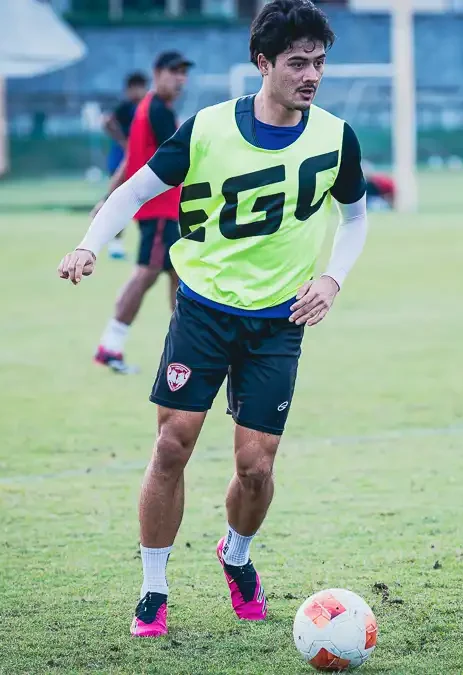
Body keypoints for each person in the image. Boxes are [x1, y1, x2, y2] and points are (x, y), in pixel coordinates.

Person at [57, 0, 369, 637]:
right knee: (173, 443)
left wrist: (332, 279)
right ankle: (153, 587)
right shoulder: (206, 129)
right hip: (202, 307)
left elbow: (357, 217)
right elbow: (136, 190)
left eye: (319, 63)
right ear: (263, 63)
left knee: (256, 467)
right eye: (297, 63)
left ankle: (237, 553)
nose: (311, 75)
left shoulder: (335, 137)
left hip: (279, 320)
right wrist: (91, 242)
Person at [92, 51, 192, 374]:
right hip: (160, 210)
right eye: (174, 72)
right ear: (157, 73)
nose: (180, 79)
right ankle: (110, 345)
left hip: (163, 211)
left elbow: (129, 160)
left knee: (180, 276)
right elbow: (179, 162)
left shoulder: (144, 109)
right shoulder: (158, 112)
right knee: (146, 273)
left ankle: (185, 349)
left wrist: (107, 198)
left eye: (183, 73)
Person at [103, 72, 148, 260]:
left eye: (142, 87)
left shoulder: (148, 108)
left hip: (141, 164)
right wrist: (124, 142)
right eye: (135, 87)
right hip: (122, 162)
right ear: (129, 90)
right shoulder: (126, 108)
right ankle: (115, 243)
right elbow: (107, 122)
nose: (139, 91)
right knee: (119, 201)